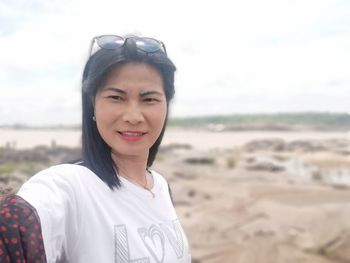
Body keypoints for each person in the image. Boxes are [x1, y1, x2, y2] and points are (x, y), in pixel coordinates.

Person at [0, 34, 192, 262]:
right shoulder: (69, 186)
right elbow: (16, 227)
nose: (133, 116)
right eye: (116, 97)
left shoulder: (160, 186)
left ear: (166, 106)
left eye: (149, 99)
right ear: (93, 104)